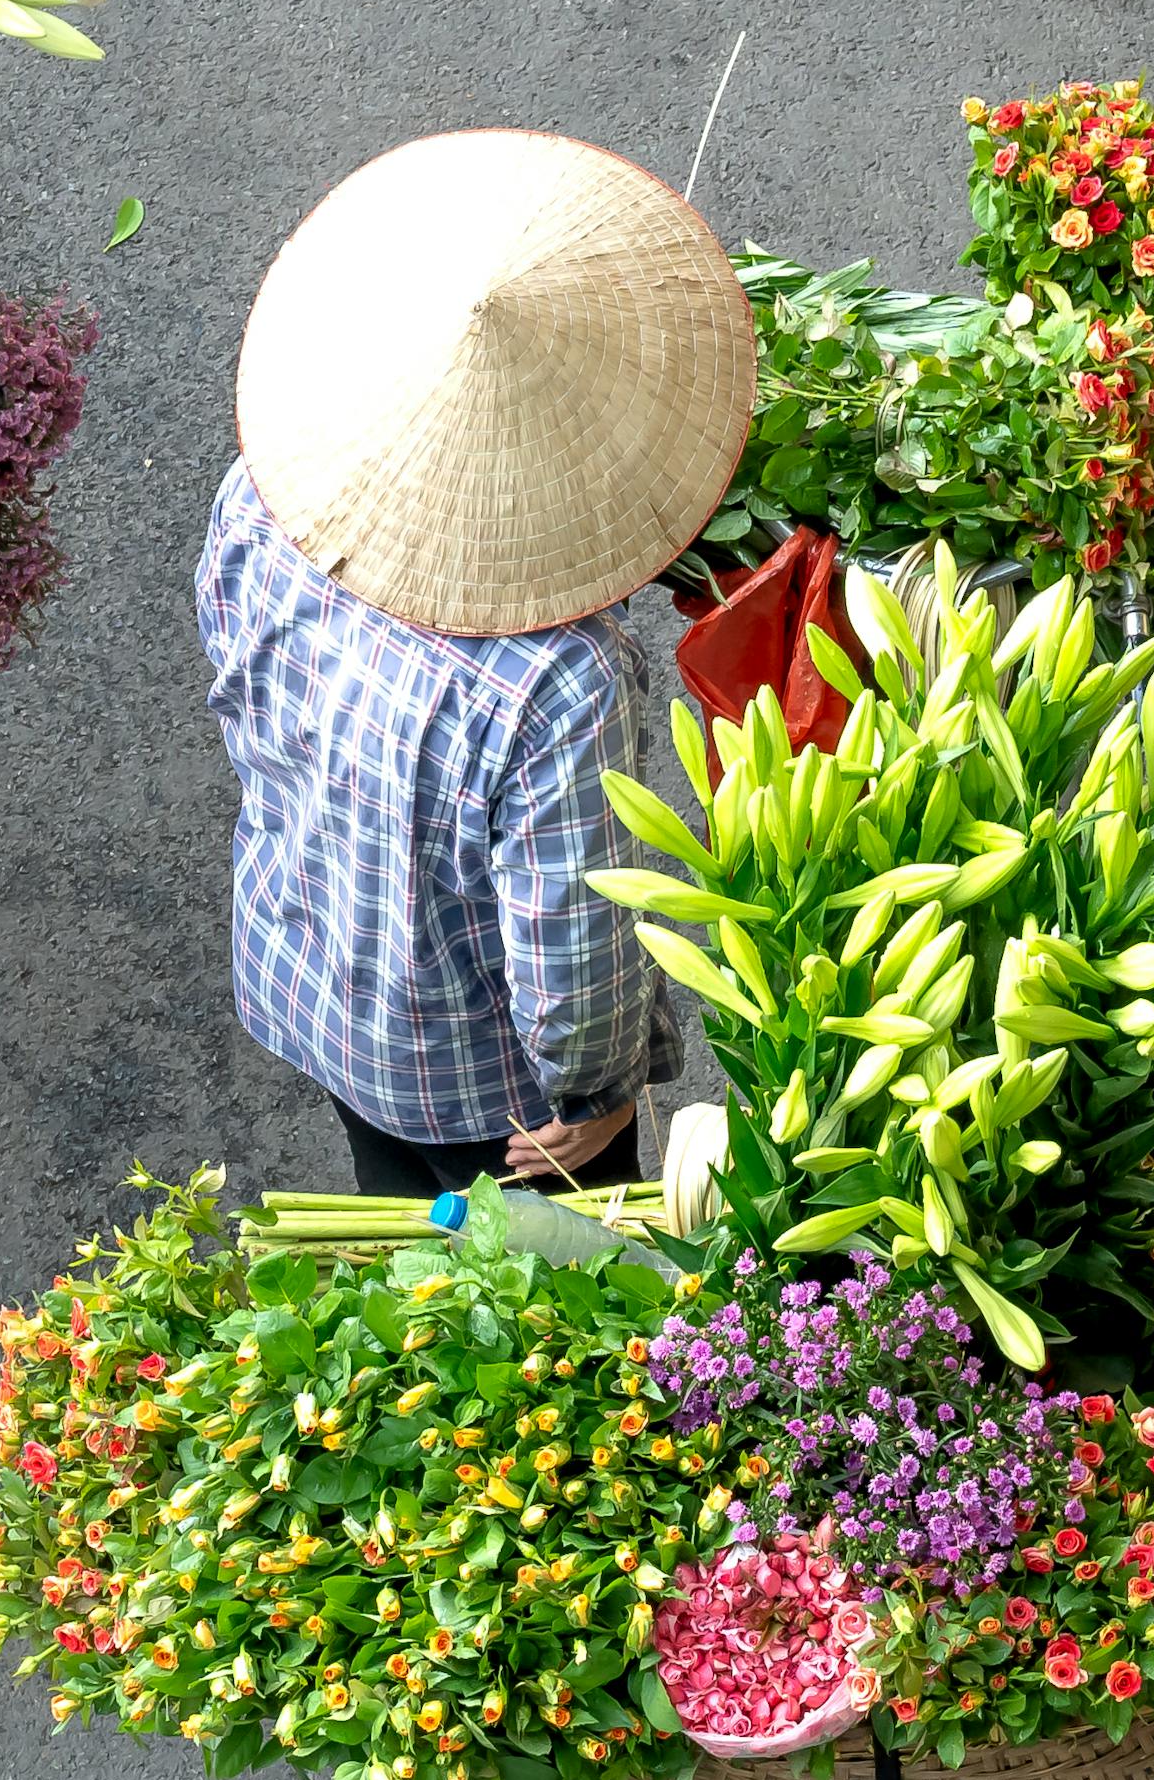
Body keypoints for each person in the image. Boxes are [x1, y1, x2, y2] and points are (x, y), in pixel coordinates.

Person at [198, 130, 764, 1201]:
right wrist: (594, 1097)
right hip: (484, 1089)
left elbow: (243, 696)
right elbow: (572, 937)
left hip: (305, 963)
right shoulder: (556, 678)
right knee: (528, 1294)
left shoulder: (266, 496)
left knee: (397, 1213)